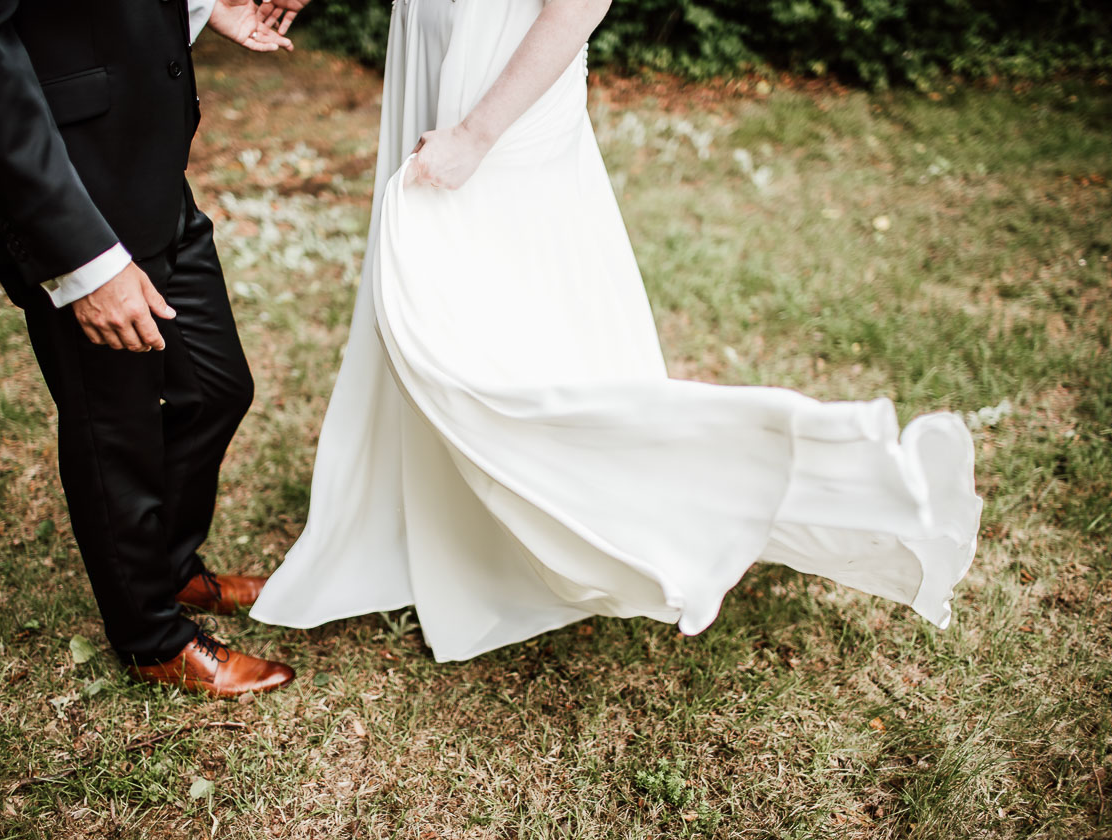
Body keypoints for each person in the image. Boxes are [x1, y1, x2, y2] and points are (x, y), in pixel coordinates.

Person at [250, 0, 983, 662]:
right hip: (438, 52)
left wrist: (475, 134)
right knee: (443, 312)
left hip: (500, 90)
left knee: (490, 334)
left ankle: (742, 485)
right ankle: (433, 518)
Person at [0, 0, 309, 696]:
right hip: (68, 188)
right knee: (113, 426)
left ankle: (170, 569)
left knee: (214, 389)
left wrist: (207, 5)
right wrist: (83, 260)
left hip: (143, 168)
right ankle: (150, 636)